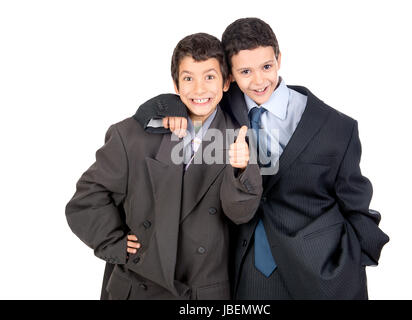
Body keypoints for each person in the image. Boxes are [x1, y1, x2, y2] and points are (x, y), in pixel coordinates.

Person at [137, 17, 389, 299]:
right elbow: (183, 95)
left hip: (319, 271)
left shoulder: (336, 128)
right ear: (228, 76)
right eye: (245, 71)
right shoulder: (219, 104)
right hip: (242, 270)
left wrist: (351, 260)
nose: (259, 81)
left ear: (279, 59)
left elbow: (356, 204)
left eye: (266, 66)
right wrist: (171, 108)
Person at [65, 33, 263, 300]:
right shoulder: (132, 135)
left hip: (203, 293)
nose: (199, 90)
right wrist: (114, 243)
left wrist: (241, 169)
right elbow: (86, 200)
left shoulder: (239, 137)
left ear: (226, 82)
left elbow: (240, 214)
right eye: (188, 78)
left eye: (209, 77)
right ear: (175, 83)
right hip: (139, 286)